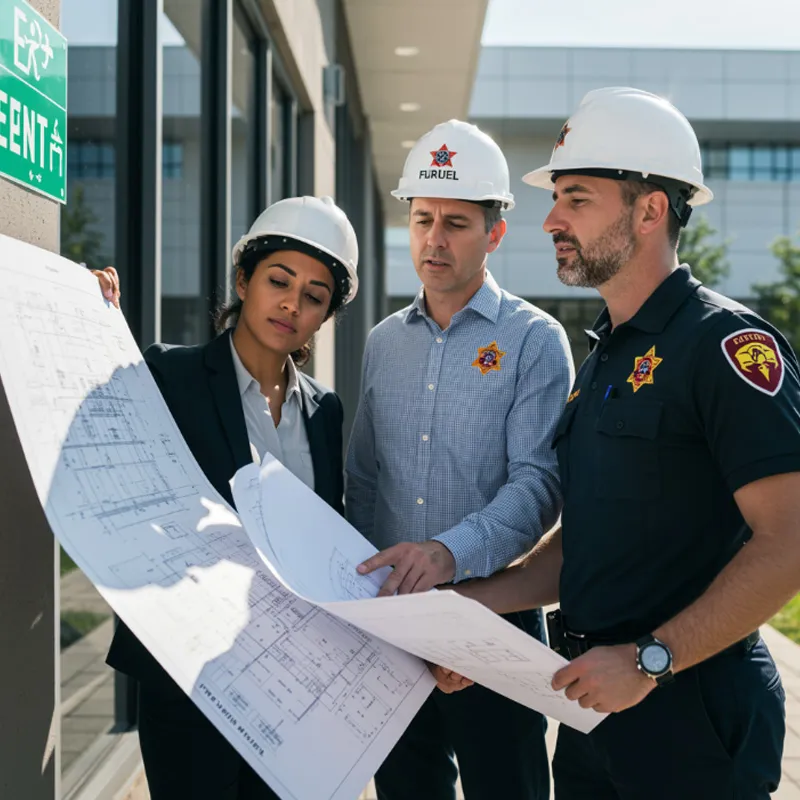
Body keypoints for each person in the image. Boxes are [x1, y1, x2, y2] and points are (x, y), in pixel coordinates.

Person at [441, 87, 799, 799]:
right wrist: (476, 606)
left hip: (692, 713)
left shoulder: (726, 345)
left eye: (576, 199)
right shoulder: (605, 356)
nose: (552, 220)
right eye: (557, 200)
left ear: (650, 210)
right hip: (593, 709)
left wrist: (649, 660)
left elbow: (789, 537)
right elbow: (589, 542)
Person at [101, 195, 359, 800]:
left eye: (314, 296)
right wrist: (86, 308)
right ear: (244, 281)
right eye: (279, 281)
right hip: (191, 677)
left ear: (324, 317)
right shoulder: (171, 376)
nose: (292, 303)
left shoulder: (324, 411)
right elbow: (100, 436)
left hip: (288, 683)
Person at [346, 119, 574, 800]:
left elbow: (539, 486)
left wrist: (449, 554)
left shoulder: (535, 341)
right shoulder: (385, 343)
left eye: (456, 223)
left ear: (494, 233)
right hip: (394, 623)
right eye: (422, 220)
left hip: (494, 622)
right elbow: (365, 480)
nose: (434, 240)